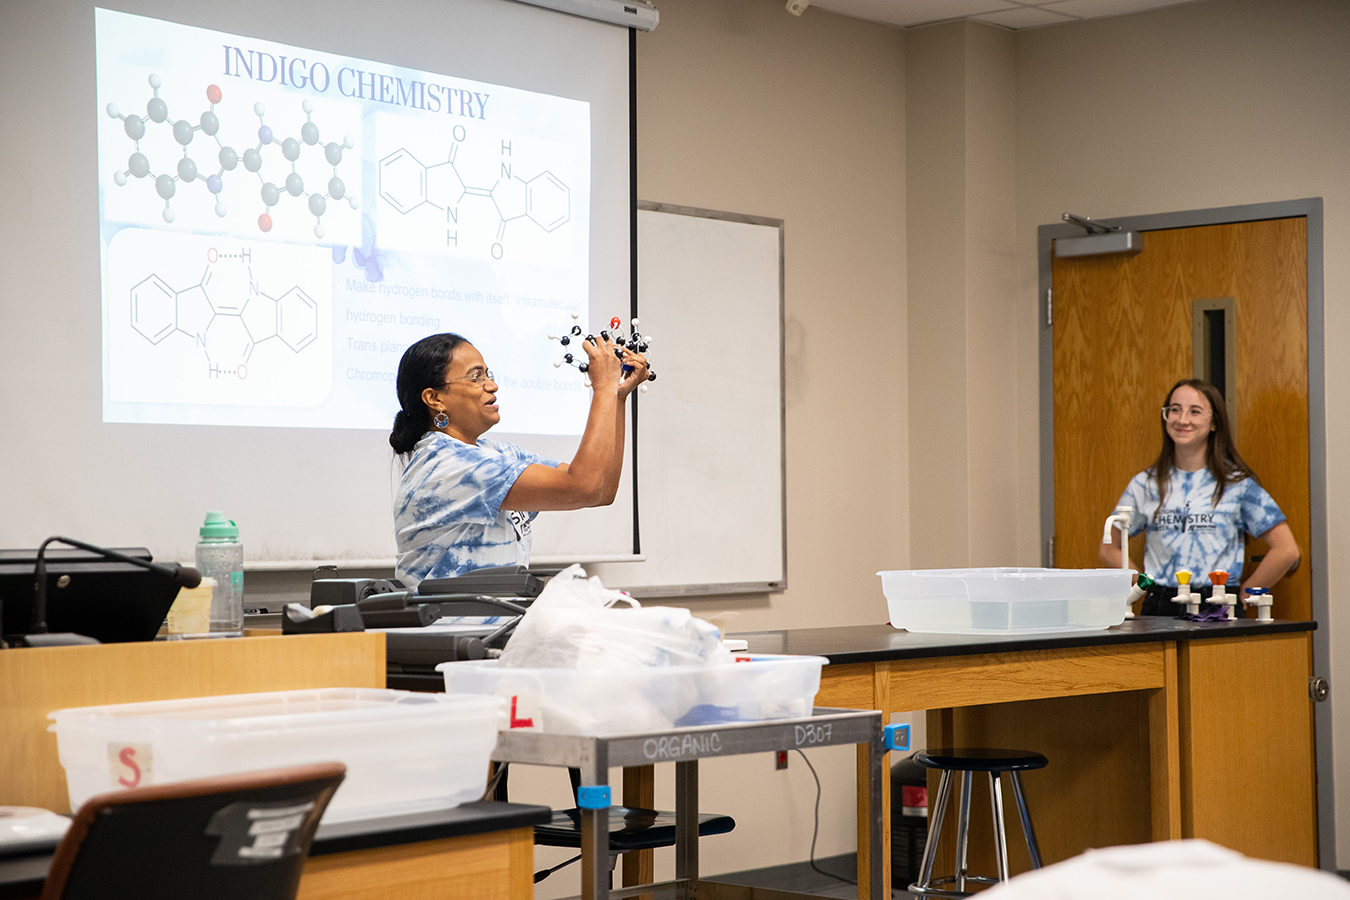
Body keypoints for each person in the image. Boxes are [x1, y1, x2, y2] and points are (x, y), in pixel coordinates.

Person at [389, 330, 648, 591]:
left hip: (499, 615)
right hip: (454, 618)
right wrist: (603, 388)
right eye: (476, 377)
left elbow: (601, 490)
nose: (492, 385)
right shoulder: (446, 464)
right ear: (435, 398)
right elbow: (585, 486)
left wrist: (616, 396)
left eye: (488, 374)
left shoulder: (495, 453)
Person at [1099, 378, 1299, 616]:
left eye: (1195, 411)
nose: (1182, 420)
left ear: (1214, 422)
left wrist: (1244, 594)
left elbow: (1287, 550)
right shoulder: (1146, 484)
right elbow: (1108, 548)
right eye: (1175, 410)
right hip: (1161, 604)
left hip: (1219, 602)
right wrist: (1143, 585)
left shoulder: (1237, 484)